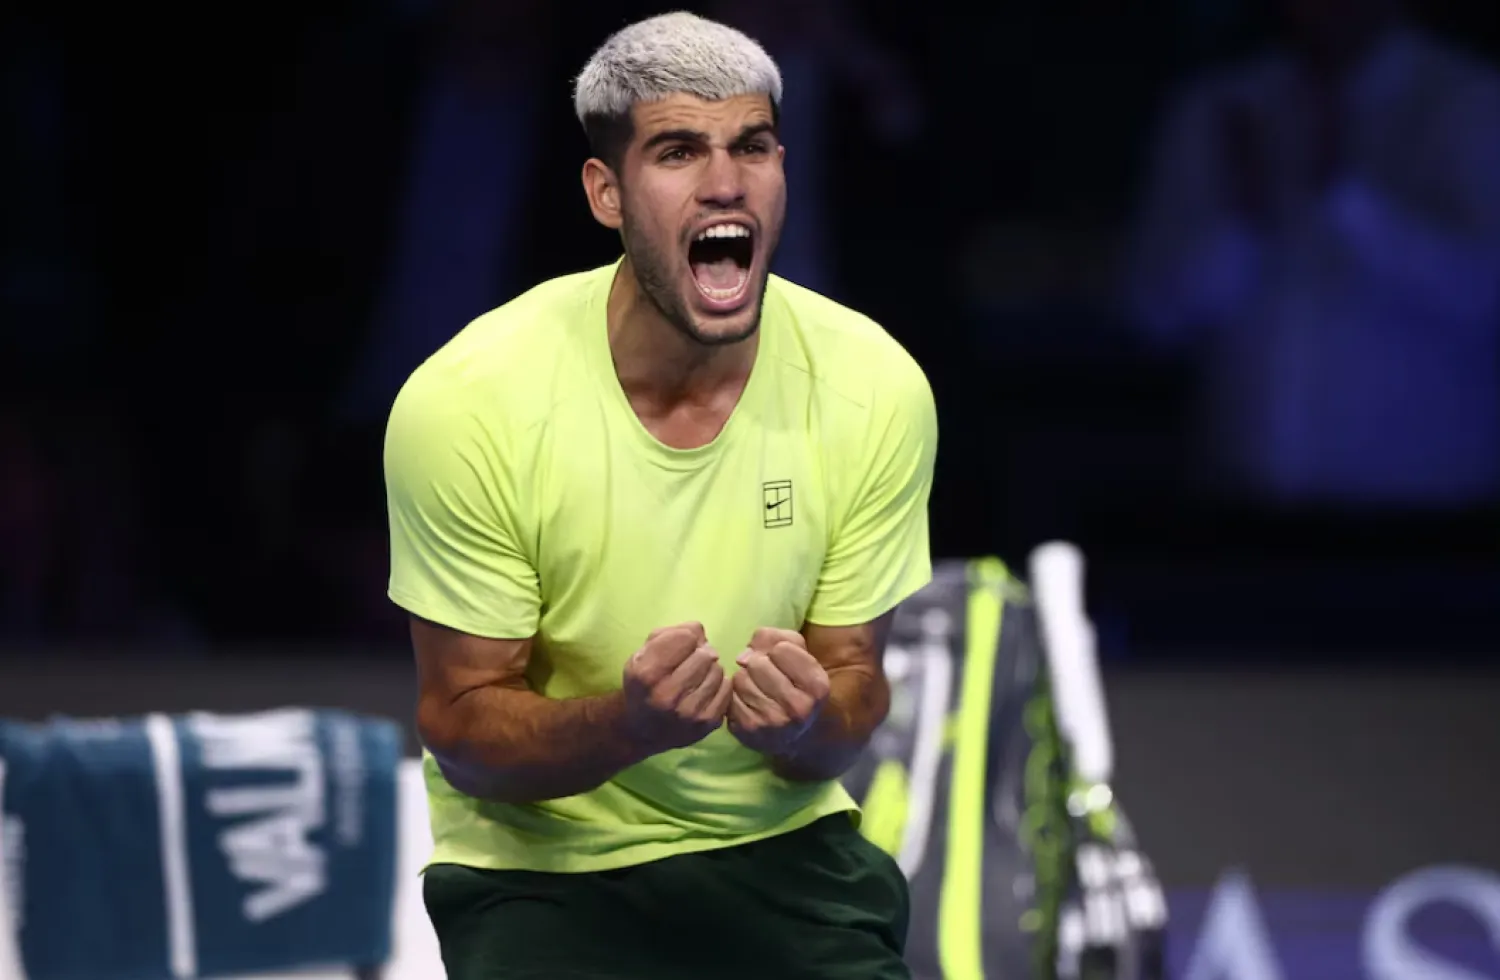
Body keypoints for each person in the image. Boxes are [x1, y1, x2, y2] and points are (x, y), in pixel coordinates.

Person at [382, 12, 937, 980]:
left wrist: (809, 725)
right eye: (679, 151)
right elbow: (464, 730)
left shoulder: (874, 385)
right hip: (541, 870)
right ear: (607, 192)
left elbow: (853, 682)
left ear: (783, 170)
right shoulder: (468, 401)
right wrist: (627, 725)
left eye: (751, 146)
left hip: (783, 852)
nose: (725, 183)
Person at [1123, 0, 1500, 510]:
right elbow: (1153, 315)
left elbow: (1486, 293)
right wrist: (1241, 224)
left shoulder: (1474, 103)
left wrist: (1349, 203)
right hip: (1241, 508)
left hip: (1427, 516)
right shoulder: (1225, 107)